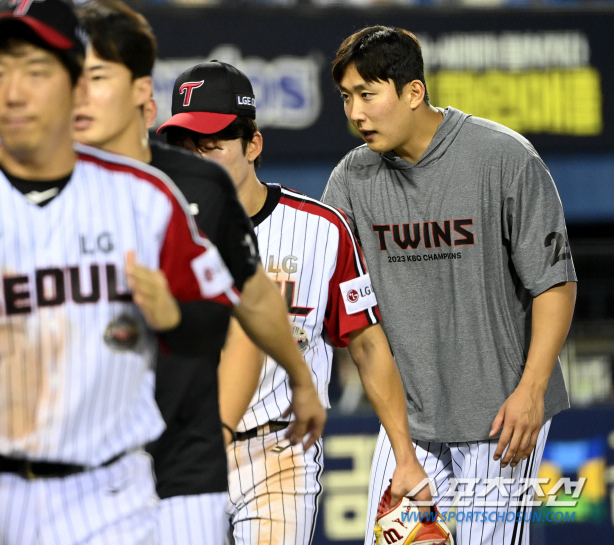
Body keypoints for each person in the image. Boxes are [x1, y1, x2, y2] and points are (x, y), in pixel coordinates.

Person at [0, 0, 239, 542]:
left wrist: (173, 316)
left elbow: (212, 321)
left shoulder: (146, 197)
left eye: (36, 73)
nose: (12, 92)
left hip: (106, 497)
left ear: (75, 87)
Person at [71, 2, 326, 544]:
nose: (79, 93)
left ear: (139, 91)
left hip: (190, 456)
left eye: (95, 77)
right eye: (73, 78)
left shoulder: (196, 188)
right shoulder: (41, 184)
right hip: (89, 455)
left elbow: (249, 309)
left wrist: (296, 382)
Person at [321, 25, 577, 545]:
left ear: (414, 91)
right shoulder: (350, 180)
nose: (355, 114)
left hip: (501, 418)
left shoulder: (504, 158)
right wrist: (402, 447)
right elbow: (354, 318)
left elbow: (555, 284)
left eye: (367, 95)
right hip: (408, 423)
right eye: (347, 98)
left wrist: (531, 391)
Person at [159, 61, 430, 545]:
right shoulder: (151, 224)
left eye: (212, 146)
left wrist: (405, 455)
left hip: (278, 452)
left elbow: (366, 345)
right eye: (185, 147)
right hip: (183, 449)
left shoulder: (321, 230)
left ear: (253, 144)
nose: (196, 160)